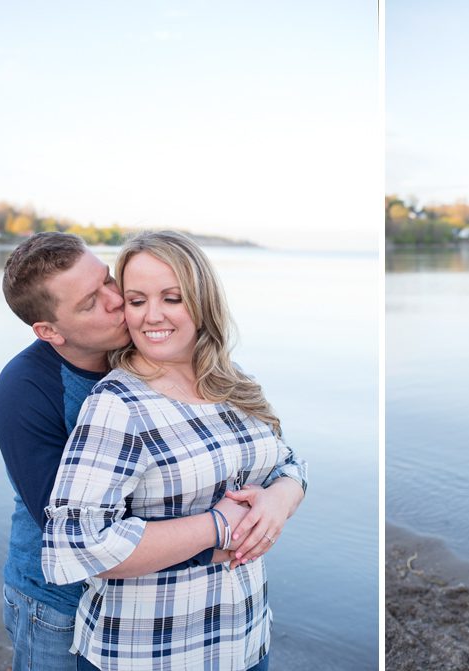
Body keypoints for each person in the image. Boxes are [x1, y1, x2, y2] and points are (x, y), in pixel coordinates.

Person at [42, 231, 306, 671]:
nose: (152, 316)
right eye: (137, 300)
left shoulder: (230, 381)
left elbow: (287, 462)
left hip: (244, 640)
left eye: (172, 297)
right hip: (148, 654)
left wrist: (281, 499)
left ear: (202, 300)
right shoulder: (118, 405)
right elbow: (74, 546)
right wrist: (217, 527)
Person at [0, 232, 242, 671]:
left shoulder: (142, 351)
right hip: (57, 604)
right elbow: (65, 527)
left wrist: (279, 491)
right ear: (49, 331)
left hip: (142, 597)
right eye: (90, 302)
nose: (115, 300)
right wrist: (215, 538)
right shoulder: (24, 392)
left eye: (108, 280)